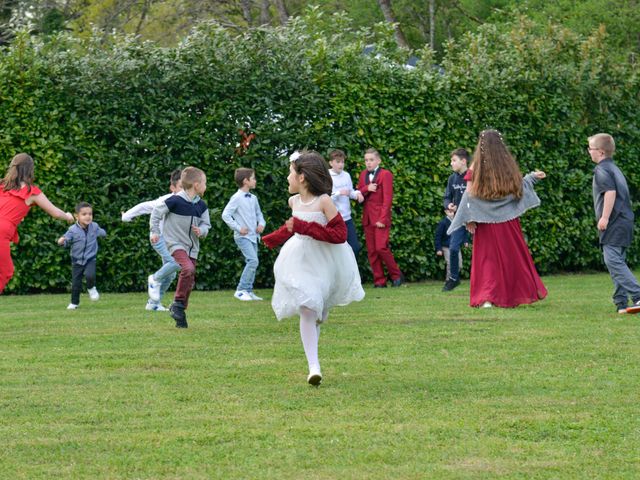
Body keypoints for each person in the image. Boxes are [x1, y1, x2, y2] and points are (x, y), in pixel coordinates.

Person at [262, 151, 365, 386]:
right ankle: (313, 366)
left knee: (318, 313)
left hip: (325, 260)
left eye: (290, 173)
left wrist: (304, 227)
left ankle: (314, 355)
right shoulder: (293, 202)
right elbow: (293, 227)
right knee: (307, 308)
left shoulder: (324, 202)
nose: (287, 178)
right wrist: (272, 238)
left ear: (302, 177)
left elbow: (340, 234)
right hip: (300, 259)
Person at [448, 129, 547, 308]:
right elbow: (519, 186)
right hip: (508, 221)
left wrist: (469, 218)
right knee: (512, 258)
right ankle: (511, 296)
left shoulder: (475, 167)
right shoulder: (507, 165)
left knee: (487, 260)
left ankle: (487, 298)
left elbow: (468, 195)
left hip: (485, 223)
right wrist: (532, 177)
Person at [0, 153, 74, 293]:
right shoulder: (31, 192)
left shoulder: (3, 186)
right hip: (2, 230)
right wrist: (68, 216)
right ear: (30, 170)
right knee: (6, 271)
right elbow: (55, 213)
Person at [150, 166, 210, 328]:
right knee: (188, 269)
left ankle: (179, 312)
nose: (206, 186)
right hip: (175, 244)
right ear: (196, 185)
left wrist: (202, 230)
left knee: (189, 281)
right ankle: (177, 304)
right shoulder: (174, 201)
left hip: (193, 248)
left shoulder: (202, 206)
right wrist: (155, 231)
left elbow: (206, 225)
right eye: (204, 183)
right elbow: (156, 213)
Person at [588, 133, 640, 314]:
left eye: (591, 149)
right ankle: (621, 303)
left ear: (600, 152)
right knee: (618, 262)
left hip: (614, 222)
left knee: (612, 261)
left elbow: (610, 193)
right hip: (625, 221)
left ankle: (638, 295)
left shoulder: (602, 170)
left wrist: (604, 218)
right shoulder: (614, 168)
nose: (589, 152)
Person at [122, 169, 183, 312]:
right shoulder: (165, 201)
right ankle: (154, 279)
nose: (183, 191)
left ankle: (153, 304)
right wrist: (126, 216)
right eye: (180, 187)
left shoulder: (189, 202)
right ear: (172, 188)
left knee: (171, 273)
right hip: (158, 237)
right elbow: (144, 206)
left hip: (173, 241)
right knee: (175, 263)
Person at [356, 148, 403, 288]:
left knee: (381, 248)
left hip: (381, 218)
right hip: (368, 218)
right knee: (371, 251)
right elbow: (358, 193)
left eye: (371, 160)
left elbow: (387, 199)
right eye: (366, 160)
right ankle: (379, 281)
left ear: (378, 161)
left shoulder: (386, 174)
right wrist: (366, 189)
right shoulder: (363, 174)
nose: (368, 163)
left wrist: (383, 219)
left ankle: (396, 275)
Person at [221, 167, 266, 301]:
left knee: (253, 262)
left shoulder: (253, 198)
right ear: (246, 181)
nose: (255, 181)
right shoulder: (236, 198)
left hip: (254, 237)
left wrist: (261, 224)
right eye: (253, 178)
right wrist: (238, 228)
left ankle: (248, 291)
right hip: (242, 237)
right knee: (253, 261)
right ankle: (241, 290)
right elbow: (225, 215)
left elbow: (259, 214)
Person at [58, 202, 107, 310]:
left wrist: (103, 233)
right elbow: (66, 240)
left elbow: (102, 232)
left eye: (90, 214)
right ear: (77, 216)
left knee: (90, 275)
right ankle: (74, 303)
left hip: (90, 258)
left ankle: (91, 287)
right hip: (76, 261)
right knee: (76, 283)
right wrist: (62, 242)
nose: (88, 216)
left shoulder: (94, 226)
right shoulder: (72, 230)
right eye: (84, 214)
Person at [442, 148, 470, 291]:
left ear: (463, 161)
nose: (451, 163)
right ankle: (453, 278)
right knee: (453, 248)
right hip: (459, 219)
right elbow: (446, 197)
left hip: (476, 220)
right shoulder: (452, 178)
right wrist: (449, 205)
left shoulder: (474, 176)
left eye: (454, 160)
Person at [328, 149, 363, 256]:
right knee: (337, 252)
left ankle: (350, 272)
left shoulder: (346, 175)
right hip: (334, 220)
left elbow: (350, 191)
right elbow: (326, 198)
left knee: (355, 248)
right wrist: (339, 193)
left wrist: (357, 194)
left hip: (347, 219)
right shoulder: (327, 176)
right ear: (331, 163)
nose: (341, 164)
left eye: (342, 162)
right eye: (338, 162)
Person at [435, 209, 464, 282]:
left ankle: (454, 278)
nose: (451, 213)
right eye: (449, 211)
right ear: (445, 212)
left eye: (452, 211)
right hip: (446, 247)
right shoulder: (443, 223)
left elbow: (462, 233)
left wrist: (465, 241)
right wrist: (438, 249)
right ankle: (449, 280)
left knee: (459, 264)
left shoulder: (457, 222)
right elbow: (438, 236)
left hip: (456, 246)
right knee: (450, 263)